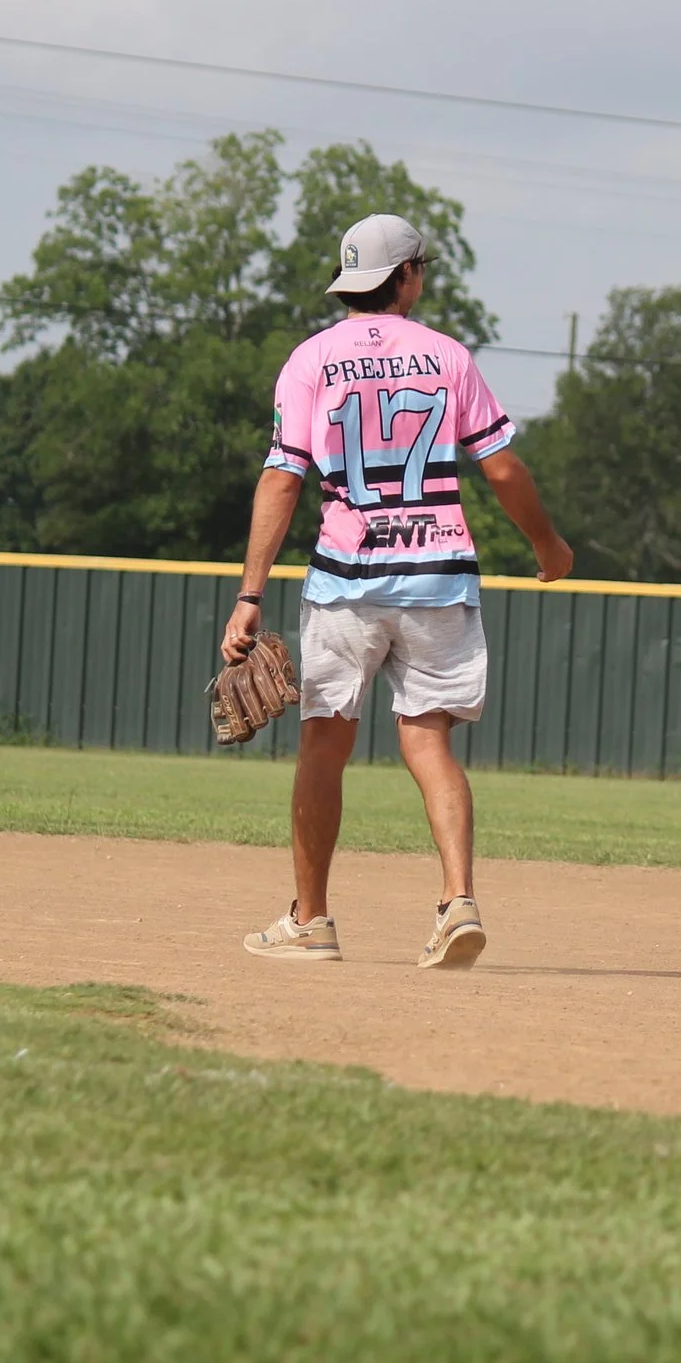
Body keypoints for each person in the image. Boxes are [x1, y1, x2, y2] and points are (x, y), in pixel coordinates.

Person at [221, 212, 572, 968]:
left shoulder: (310, 359)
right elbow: (503, 468)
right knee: (427, 738)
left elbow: (283, 476)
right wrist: (547, 543)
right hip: (438, 578)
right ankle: (457, 901)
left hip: (346, 581)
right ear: (408, 275)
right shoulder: (449, 356)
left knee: (324, 742)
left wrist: (250, 594)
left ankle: (311, 920)